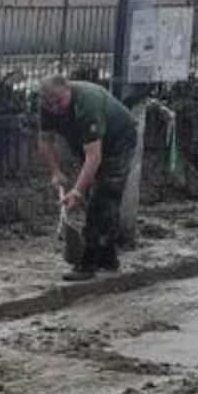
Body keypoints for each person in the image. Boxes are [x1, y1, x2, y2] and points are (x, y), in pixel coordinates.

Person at [37, 76, 138, 281]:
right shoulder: (46, 106)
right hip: (91, 145)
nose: (55, 108)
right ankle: (108, 257)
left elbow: (94, 157)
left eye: (59, 101)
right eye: (50, 104)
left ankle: (87, 263)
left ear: (68, 89)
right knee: (98, 196)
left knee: (102, 197)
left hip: (118, 141)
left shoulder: (87, 105)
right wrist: (55, 172)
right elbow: (44, 140)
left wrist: (77, 191)